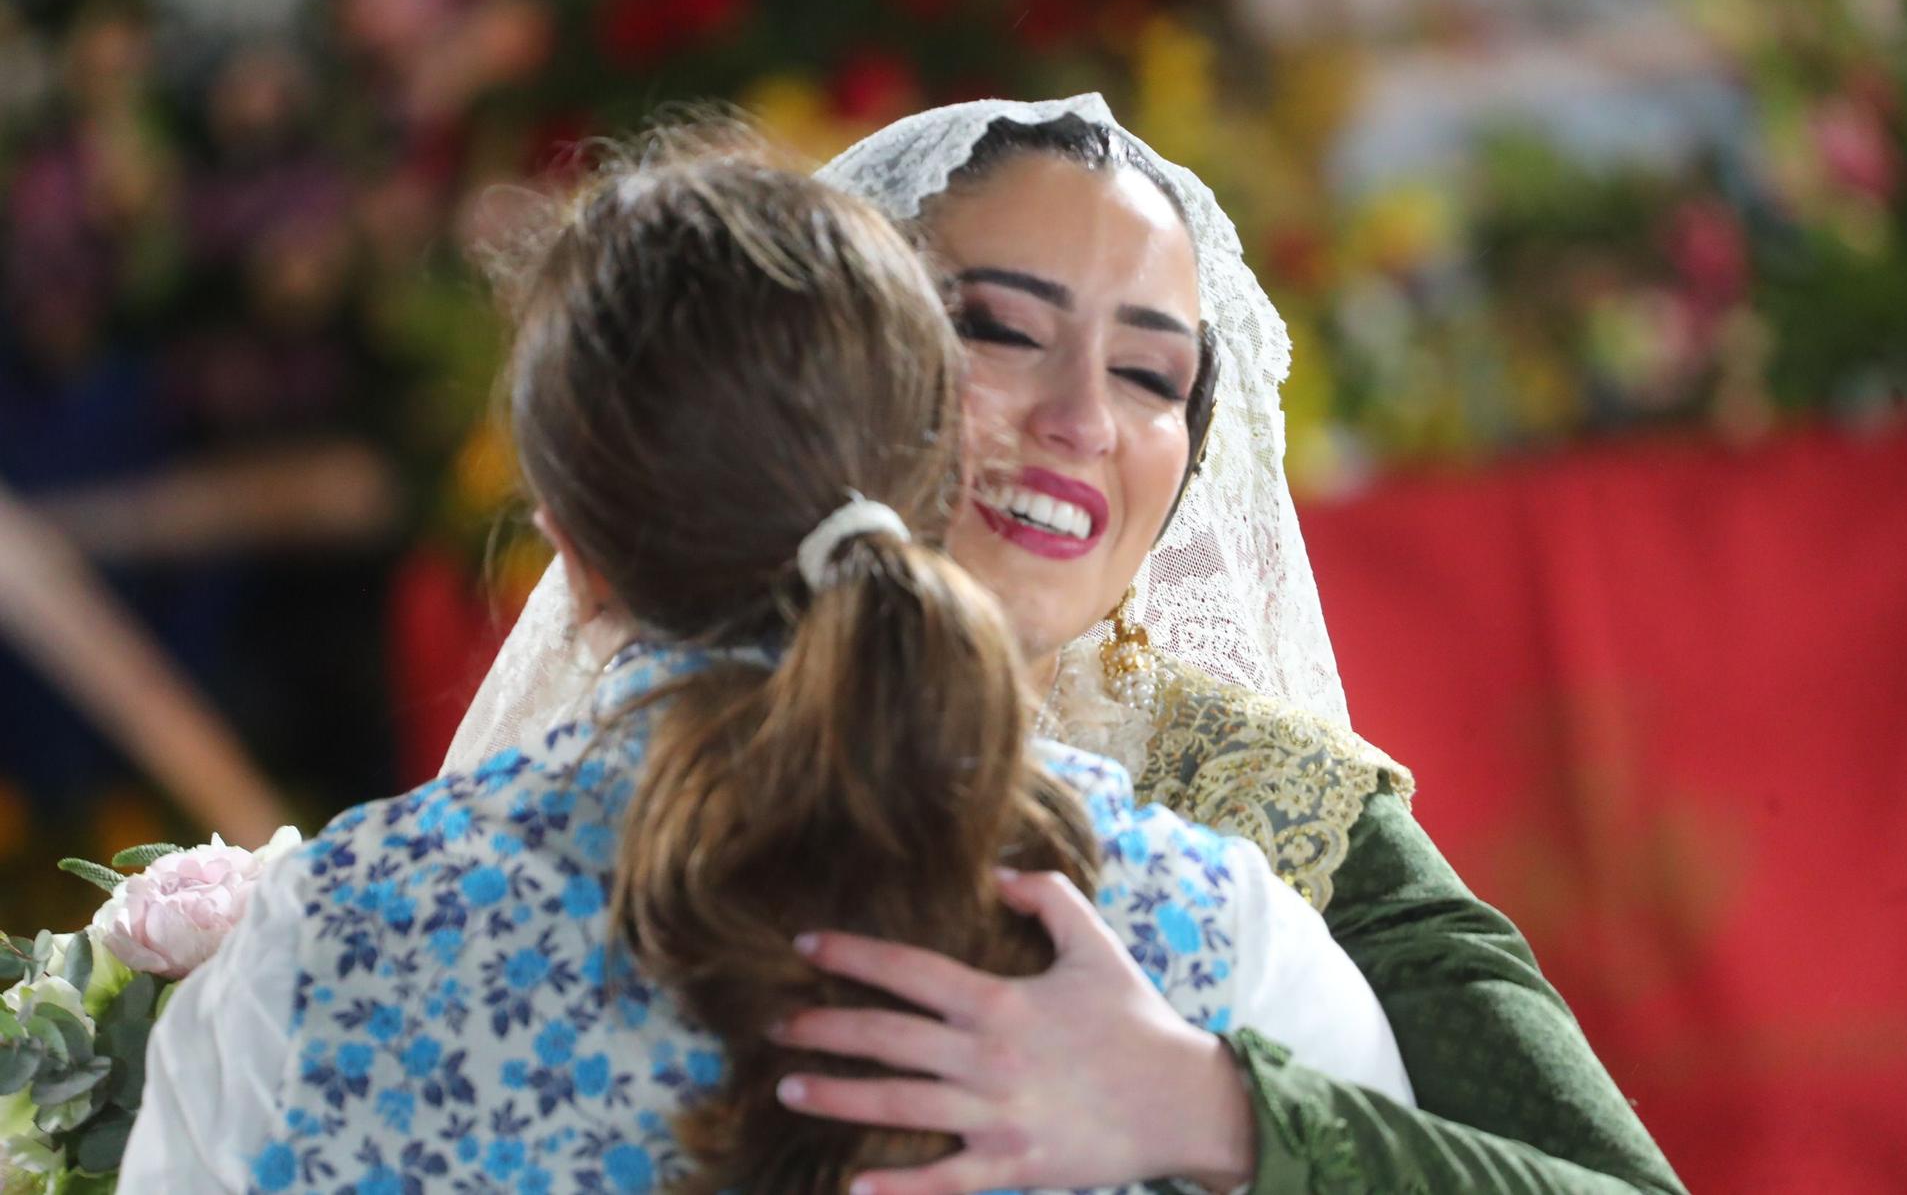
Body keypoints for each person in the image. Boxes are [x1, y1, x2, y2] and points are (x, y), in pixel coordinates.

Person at [119, 134, 1412, 1193]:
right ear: (928, 473)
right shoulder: (1202, 929)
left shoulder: (321, 943)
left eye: (1145, 369)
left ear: (569, 546)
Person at [447, 96, 1688, 1194]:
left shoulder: (1267, 810)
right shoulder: (579, 791)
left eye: (1152, 375)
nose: (1083, 418)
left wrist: (1217, 1112)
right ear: (845, 368)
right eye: (998, 328)